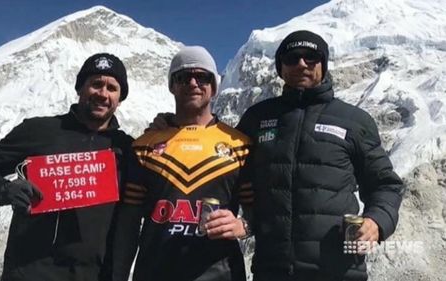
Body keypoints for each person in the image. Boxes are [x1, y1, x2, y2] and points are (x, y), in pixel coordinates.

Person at [236, 30, 404, 281]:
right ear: (280, 68)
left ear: (323, 65)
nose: (301, 63)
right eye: (292, 57)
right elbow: (226, 169)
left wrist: (376, 222)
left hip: (339, 271)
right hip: (272, 270)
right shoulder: (256, 118)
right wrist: (169, 124)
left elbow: (386, 185)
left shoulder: (354, 121)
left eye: (311, 57)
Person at [0, 53, 133, 281]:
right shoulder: (40, 130)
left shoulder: (128, 149)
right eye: (96, 84)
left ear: (120, 98)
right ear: (80, 88)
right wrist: (4, 190)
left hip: (94, 276)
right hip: (31, 273)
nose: (103, 94)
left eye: (112, 88)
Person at [112, 46, 253, 281]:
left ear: (215, 86)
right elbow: (128, 226)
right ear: (171, 85)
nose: (193, 83)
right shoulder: (143, 146)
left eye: (203, 76)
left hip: (221, 274)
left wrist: (243, 226)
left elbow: (260, 212)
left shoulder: (240, 145)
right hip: (155, 273)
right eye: (183, 77)